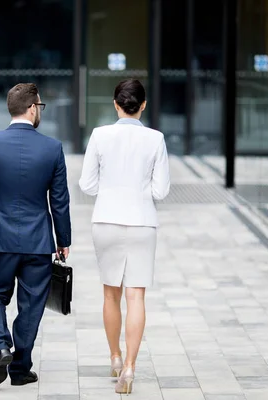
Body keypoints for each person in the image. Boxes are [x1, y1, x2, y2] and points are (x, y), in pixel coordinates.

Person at [0, 83, 72, 387]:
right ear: (32, 108)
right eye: (41, 106)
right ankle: (21, 369)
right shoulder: (52, 148)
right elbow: (60, 201)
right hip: (38, 241)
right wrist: (63, 240)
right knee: (31, 304)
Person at [78, 79, 170, 394]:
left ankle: (115, 357)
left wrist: (111, 190)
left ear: (116, 104)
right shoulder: (156, 139)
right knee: (136, 297)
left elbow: (87, 185)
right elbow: (161, 190)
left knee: (110, 294)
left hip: (106, 219)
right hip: (143, 221)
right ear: (143, 105)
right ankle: (130, 367)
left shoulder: (100, 136)